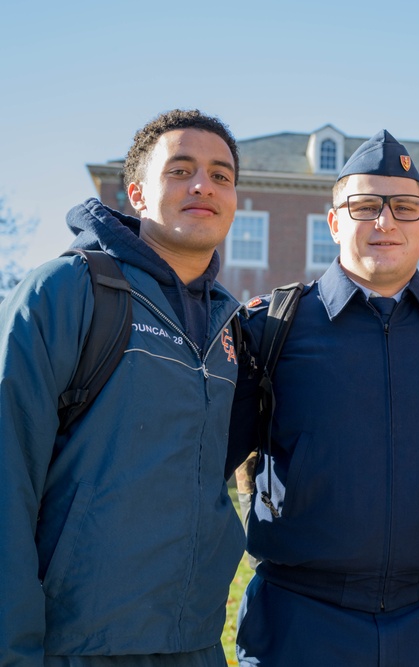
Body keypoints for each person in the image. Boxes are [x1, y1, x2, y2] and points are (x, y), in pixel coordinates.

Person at [230, 130, 419, 666]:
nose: (385, 222)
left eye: (405, 207)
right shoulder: (272, 329)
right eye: (365, 207)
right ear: (335, 222)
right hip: (300, 622)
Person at [0, 109, 244, 666]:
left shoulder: (233, 325)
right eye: (179, 170)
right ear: (136, 192)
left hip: (197, 645)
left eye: (221, 175)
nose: (203, 185)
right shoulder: (66, 292)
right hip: (77, 648)